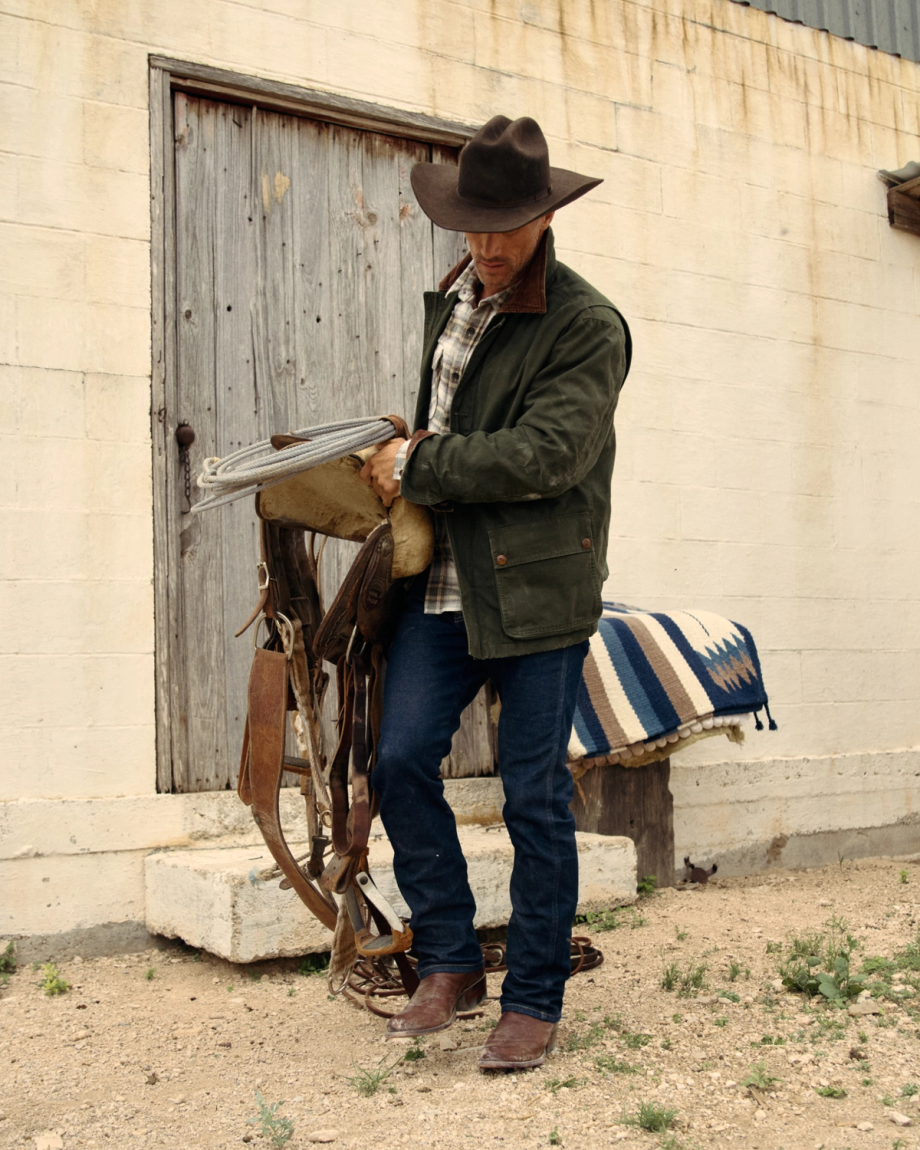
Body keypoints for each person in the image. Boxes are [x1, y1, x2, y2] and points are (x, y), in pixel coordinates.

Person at [360, 115, 631, 1072]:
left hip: (537, 592)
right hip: (441, 583)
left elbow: (549, 455)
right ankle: (448, 959)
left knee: (531, 796)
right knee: (397, 762)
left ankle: (535, 999)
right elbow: (445, 422)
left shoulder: (589, 325)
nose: (486, 244)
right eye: (472, 225)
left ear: (545, 215)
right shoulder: (454, 299)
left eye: (505, 226)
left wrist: (419, 466)